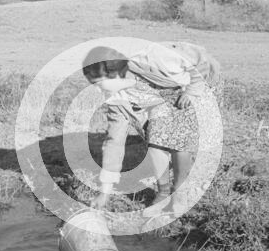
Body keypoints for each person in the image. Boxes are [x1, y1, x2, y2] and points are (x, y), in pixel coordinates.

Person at [82, 41, 221, 216]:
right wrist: (104, 193)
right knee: (156, 143)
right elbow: (114, 142)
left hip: (195, 84)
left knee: (178, 141)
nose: (98, 89)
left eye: (99, 83)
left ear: (114, 74)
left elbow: (199, 59)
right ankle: (162, 194)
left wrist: (192, 91)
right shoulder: (116, 99)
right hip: (161, 98)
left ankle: (180, 194)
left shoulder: (153, 58)